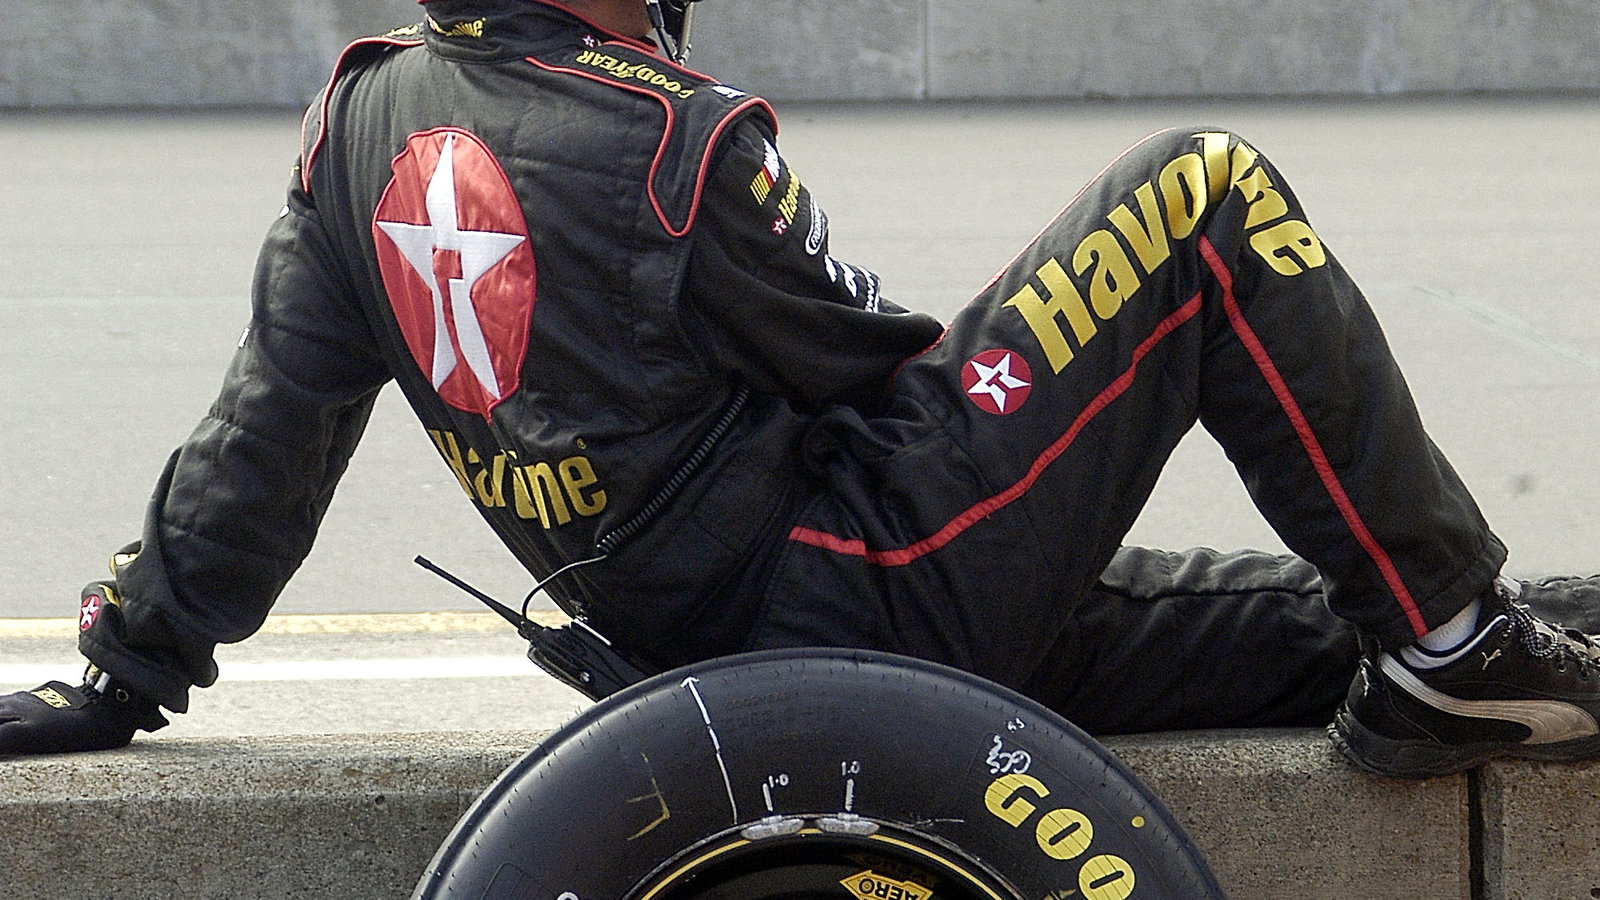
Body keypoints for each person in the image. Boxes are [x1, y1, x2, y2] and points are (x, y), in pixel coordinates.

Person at [1, 0, 1597, 779]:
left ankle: (1467, 638)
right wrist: (1055, 390)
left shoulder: (350, 128)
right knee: (1202, 191)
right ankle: (1456, 643)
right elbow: (890, 384)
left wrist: (123, 675)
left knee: (1326, 619)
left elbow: (258, 450)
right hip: (870, 605)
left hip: (688, 654)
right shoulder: (674, 138)